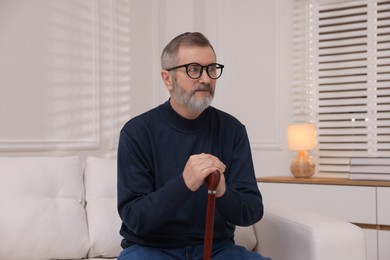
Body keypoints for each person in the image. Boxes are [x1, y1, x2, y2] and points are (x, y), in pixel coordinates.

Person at [117, 32, 271, 260]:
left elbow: (252, 211)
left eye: (211, 69)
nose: (206, 79)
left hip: (217, 249)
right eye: (193, 69)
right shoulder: (137, 132)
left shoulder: (232, 130)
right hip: (151, 250)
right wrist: (184, 183)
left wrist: (222, 191)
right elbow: (135, 217)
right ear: (167, 78)